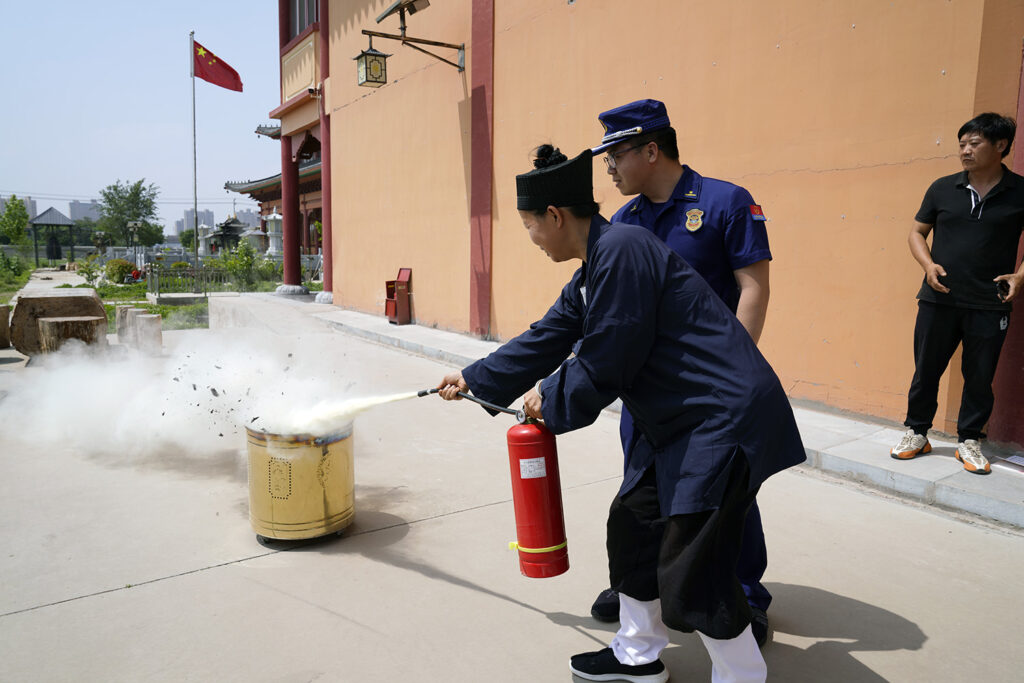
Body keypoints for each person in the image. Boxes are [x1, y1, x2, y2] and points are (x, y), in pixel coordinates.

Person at [436, 144, 805, 683]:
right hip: (679, 424)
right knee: (634, 524)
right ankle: (637, 655)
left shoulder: (625, 249)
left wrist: (551, 394)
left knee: (693, 568)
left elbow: (611, 353)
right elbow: (551, 334)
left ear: (556, 216)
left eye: (530, 226)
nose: (533, 239)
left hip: (720, 420)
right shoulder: (596, 266)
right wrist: (475, 377)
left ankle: (743, 675)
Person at [587, 99, 776, 645]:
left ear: (651, 149)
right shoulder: (625, 222)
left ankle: (745, 592)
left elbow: (753, 288)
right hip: (647, 393)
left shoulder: (724, 202)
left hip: (712, 391)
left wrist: (734, 375)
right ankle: (640, 585)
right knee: (642, 492)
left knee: (726, 493)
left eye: (615, 155)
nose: (610, 169)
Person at [890, 113, 1024, 474]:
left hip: (989, 300)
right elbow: (916, 232)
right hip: (939, 297)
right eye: (962, 143)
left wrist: (1020, 275)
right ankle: (917, 432)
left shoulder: (1020, 191)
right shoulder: (941, 188)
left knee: (980, 375)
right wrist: (928, 265)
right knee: (926, 369)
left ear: (1000, 146)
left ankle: (969, 440)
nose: (965, 150)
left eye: (974, 143)